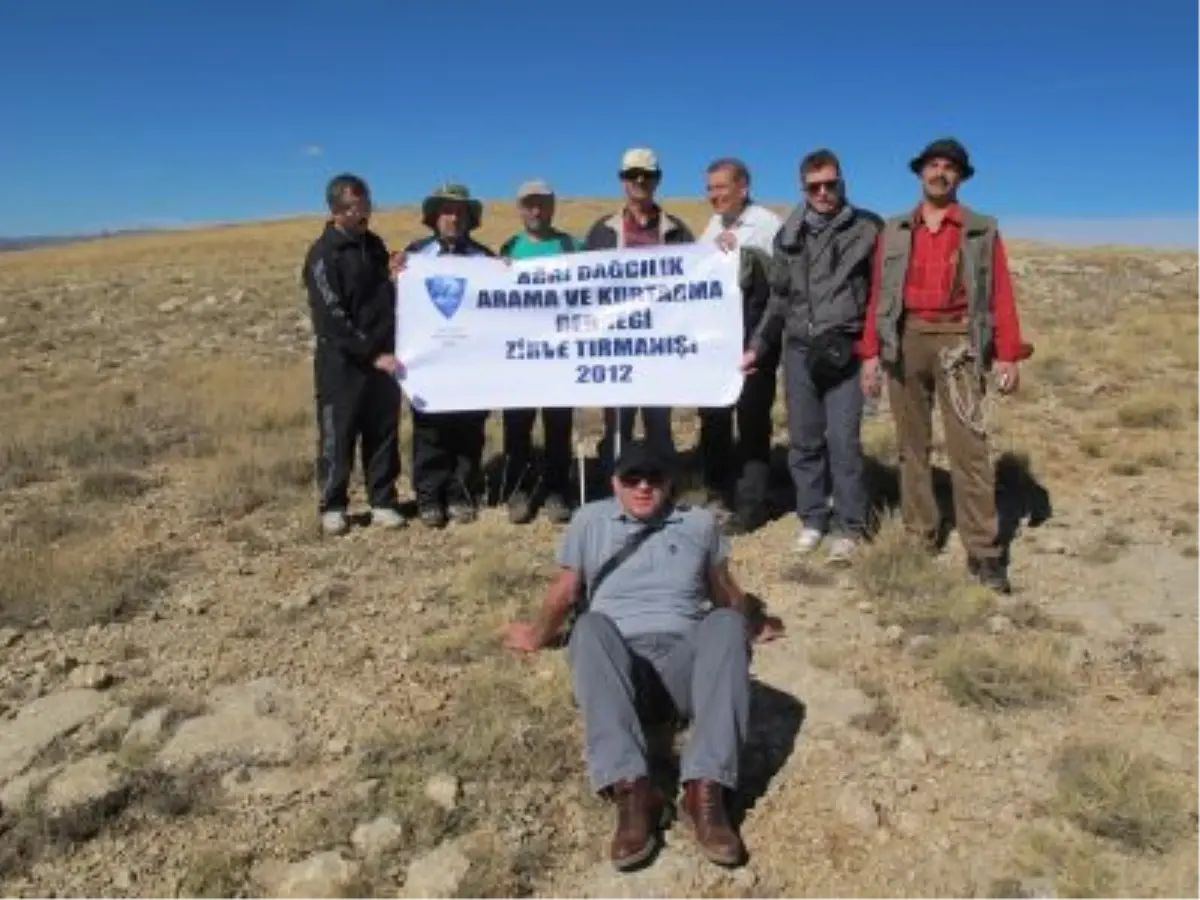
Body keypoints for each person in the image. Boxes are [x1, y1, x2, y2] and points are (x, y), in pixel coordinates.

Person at [503, 440, 782, 872]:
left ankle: (705, 790)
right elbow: (565, 592)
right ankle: (633, 792)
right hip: (623, 669)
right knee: (590, 626)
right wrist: (537, 636)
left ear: (669, 482)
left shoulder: (699, 524)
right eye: (632, 478)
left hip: (686, 665)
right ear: (615, 482)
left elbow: (723, 590)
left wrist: (752, 622)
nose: (643, 487)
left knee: (725, 625)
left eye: (654, 478)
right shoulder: (588, 521)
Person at [859, 138, 1024, 593]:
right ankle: (921, 533)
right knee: (912, 447)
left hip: (959, 344)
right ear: (920, 173)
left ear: (960, 177)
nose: (940, 172)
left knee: (968, 449)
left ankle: (984, 552)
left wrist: (1008, 352)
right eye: (933, 165)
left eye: (949, 167)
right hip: (904, 341)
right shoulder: (893, 230)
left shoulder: (980, 229)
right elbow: (878, 295)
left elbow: (1000, 293)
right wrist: (870, 353)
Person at [743, 149, 882, 565]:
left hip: (847, 349)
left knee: (843, 440)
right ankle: (813, 518)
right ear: (803, 188)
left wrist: (875, 353)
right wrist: (759, 344)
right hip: (799, 350)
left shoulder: (868, 229)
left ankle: (850, 525)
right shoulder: (789, 232)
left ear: (843, 183)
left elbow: (880, 297)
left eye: (830, 184)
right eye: (814, 186)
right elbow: (779, 299)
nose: (823, 193)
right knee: (803, 440)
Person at [301, 173, 405, 536]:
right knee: (338, 434)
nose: (363, 213)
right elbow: (331, 317)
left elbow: (385, 298)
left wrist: (397, 276)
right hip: (341, 365)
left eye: (365, 205)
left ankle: (383, 500)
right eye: (354, 207)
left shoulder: (374, 246)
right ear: (337, 211)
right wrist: (370, 353)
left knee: (382, 432)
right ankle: (333, 504)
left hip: (384, 358)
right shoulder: (323, 254)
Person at [583, 148, 694, 473]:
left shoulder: (677, 231)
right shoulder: (602, 231)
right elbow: (580, 283)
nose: (640, 180)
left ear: (657, 180)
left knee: (659, 421)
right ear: (623, 181)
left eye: (647, 175)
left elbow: (697, 279)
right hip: (616, 343)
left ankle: (664, 484)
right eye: (632, 175)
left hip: (660, 342)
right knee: (618, 422)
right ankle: (614, 483)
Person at [398, 183, 496, 528]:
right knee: (430, 430)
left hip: (471, 361)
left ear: (470, 218)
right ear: (434, 217)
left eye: (460, 212)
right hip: (429, 361)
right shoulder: (413, 257)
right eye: (446, 211)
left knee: (469, 429)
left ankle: (461, 494)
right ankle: (428, 496)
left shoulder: (486, 259)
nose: (453, 218)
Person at [696, 158, 783, 533]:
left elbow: (782, 290)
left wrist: (761, 345)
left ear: (743, 188)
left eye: (720, 187)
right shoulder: (712, 226)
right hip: (716, 344)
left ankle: (752, 504)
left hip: (754, 342)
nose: (713, 195)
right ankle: (717, 491)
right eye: (710, 188)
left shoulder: (767, 226)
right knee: (714, 418)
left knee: (751, 420)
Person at [497, 180, 583, 525]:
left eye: (542, 204)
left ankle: (556, 490)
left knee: (558, 425)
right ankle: (518, 490)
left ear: (552, 207)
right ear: (519, 209)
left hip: (561, 352)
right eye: (529, 204)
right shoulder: (509, 247)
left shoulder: (572, 246)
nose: (535, 211)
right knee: (517, 425)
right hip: (520, 354)